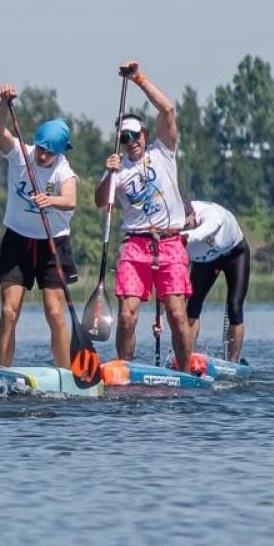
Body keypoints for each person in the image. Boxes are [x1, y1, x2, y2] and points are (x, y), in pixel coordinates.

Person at [94, 61, 194, 372]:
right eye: (124, 138)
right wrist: (109, 174)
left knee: (176, 314)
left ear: (145, 134)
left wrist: (138, 79)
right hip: (135, 245)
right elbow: (100, 201)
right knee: (127, 315)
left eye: (135, 136)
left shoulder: (162, 150)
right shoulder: (118, 168)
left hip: (170, 243)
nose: (131, 143)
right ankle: (125, 369)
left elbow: (168, 109)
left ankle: (185, 371)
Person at [0, 85, 79, 369]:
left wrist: (50, 200)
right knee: (9, 310)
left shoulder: (64, 171)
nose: (42, 156)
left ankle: (65, 374)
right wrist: (4, 103)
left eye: (49, 152)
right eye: (40, 148)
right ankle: (3, 370)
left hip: (53, 244)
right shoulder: (21, 154)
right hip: (17, 240)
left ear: (60, 152)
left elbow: (70, 200)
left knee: (55, 313)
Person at [184, 199, 249, 361]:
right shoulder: (173, 228)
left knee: (234, 307)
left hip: (235, 253)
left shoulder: (211, 214)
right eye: (181, 226)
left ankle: (233, 361)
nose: (184, 228)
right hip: (206, 260)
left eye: (187, 225)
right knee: (192, 306)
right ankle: (186, 357)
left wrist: (183, 237)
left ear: (193, 215)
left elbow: (206, 229)